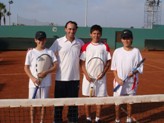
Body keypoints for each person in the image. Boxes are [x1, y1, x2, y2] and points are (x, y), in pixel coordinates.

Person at [49, 21, 84, 123]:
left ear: (76, 30)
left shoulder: (80, 42)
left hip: (75, 79)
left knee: (73, 103)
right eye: (69, 29)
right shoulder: (58, 42)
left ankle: (72, 119)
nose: (71, 31)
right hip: (60, 78)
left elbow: (85, 56)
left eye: (73, 29)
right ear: (65, 29)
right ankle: (57, 120)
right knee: (58, 103)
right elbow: (49, 53)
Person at [111, 29, 144, 123]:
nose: (126, 40)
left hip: (131, 82)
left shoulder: (136, 51)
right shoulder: (117, 51)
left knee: (130, 101)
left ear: (131, 39)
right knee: (117, 103)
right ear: (121, 40)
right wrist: (117, 79)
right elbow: (114, 68)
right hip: (118, 81)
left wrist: (133, 73)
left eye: (128, 38)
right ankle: (117, 119)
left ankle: (128, 118)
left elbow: (140, 67)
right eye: (124, 38)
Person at [80, 25, 111, 123]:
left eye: (98, 34)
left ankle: (98, 118)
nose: (96, 35)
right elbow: (82, 62)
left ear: (100, 34)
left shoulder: (105, 46)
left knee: (99, 99)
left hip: (101, 78)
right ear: (90, 34)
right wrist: (86, 75)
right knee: (87, 99)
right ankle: (88, 118)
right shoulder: (86, 46)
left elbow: (108, 62)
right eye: (94, 33)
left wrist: (103, 73)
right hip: (88, 78)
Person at [24, 31, 57, 123]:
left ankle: (41, 121)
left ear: (45, 40)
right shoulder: (30, 52)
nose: (41, 41)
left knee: (44, 105)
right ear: (35, 40)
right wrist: (33, 78)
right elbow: (26, 67)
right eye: (39, 39)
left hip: (46, 83)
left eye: (43, 39)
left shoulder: (50, 52)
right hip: (33, 84)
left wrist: (46, 72)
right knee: (33, 105)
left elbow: (55, 65)